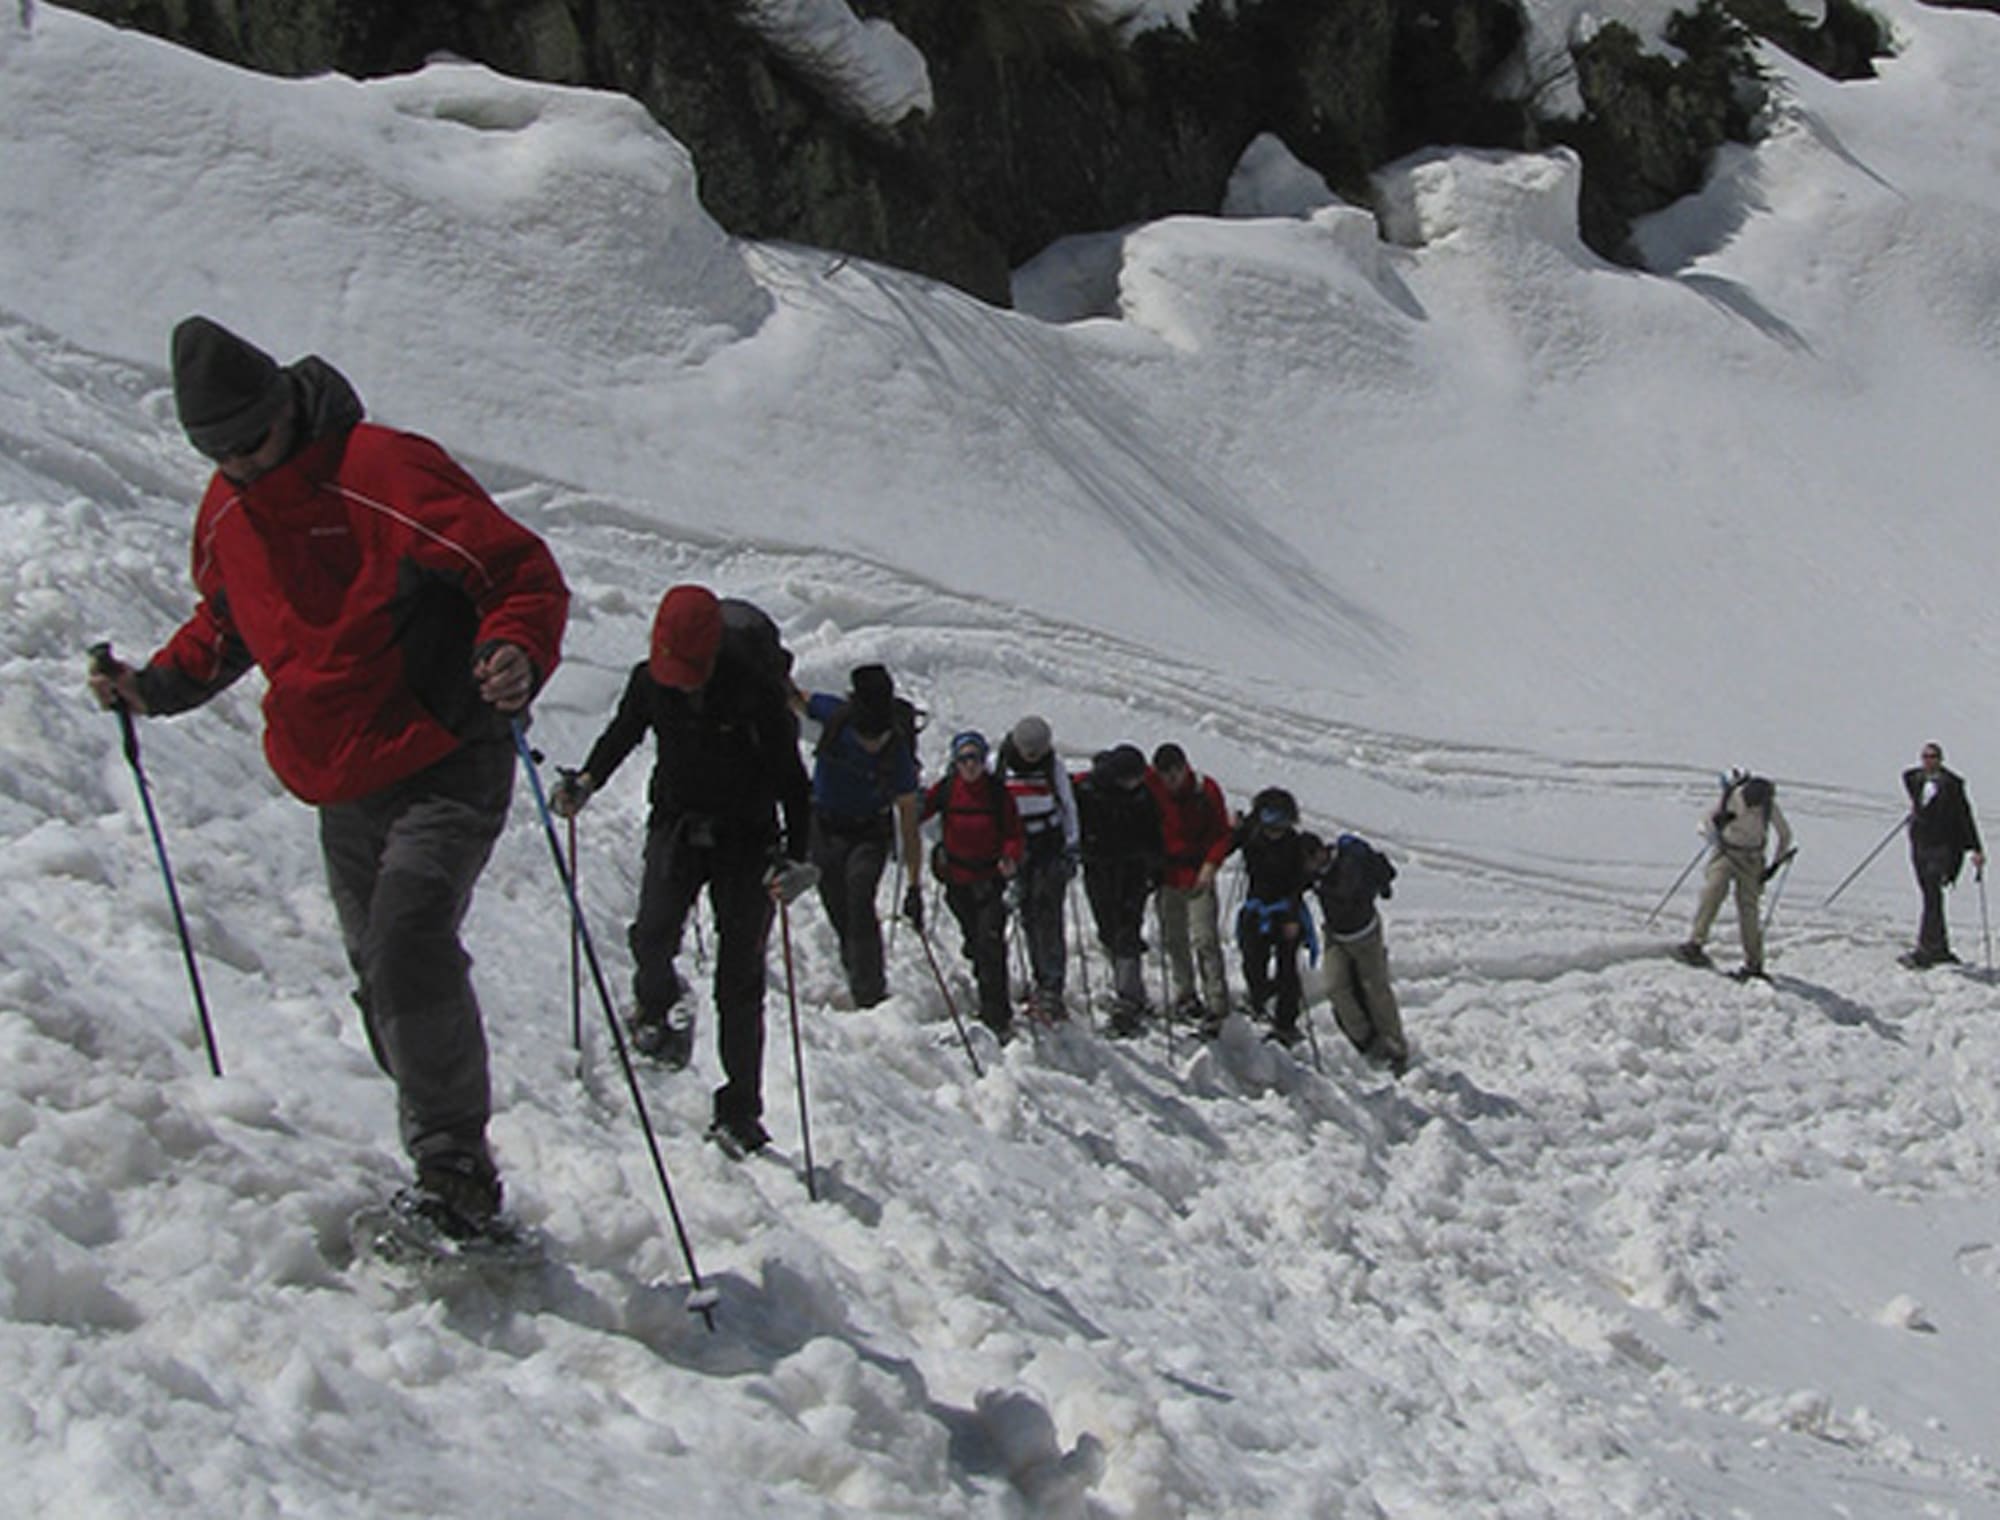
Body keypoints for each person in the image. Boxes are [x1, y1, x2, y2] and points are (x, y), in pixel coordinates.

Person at [88, 316, 568, 1239]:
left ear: (284, 409)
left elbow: (518, 573)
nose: (239, 465)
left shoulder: (385, 470)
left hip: (444, 750)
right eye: (216, 453)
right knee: (381, 976)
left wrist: (513, 648)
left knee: (407, 943)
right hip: (339, 775)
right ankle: (440, 1145)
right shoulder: (226, 510)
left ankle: (456, 1174)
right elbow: (228, 627)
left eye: (251, 443)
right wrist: (149, 688)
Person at [551, 585, 811, 1156]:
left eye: (689, 670)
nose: (679, 681)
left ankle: (740, 1111)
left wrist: (798, 858)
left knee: (738, 980)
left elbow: (794, 783)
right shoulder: (651, 681)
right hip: (677, 822)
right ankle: (657, 1006)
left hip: (748, 841)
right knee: (650, 933)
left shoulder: (757, 694)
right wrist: (588, 782)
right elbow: (623, 732)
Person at [799, 664, 923, 1006]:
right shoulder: (835, 715)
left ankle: (870, 991)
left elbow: (909, 825)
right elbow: (794, 698)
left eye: (879, 738)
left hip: (869, 832)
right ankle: (857, 972)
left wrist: (914, 885)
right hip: (823, 828)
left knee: (859, 895)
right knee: (837, 904)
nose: (873, 745)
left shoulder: (897, 754)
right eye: (866, 738)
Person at [920, 730, 1024, 1039]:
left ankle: (998, 1015)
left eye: (976, 758)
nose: (971, 765)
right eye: (964, 759)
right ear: (956, 761)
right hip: (957, 881)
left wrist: (1010, 856)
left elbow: (1013, 832)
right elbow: (921, 811)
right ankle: (987, 993)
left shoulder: (996, 793)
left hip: (989, 881)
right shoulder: (948, 789)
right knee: (976, 943)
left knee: (991, 943)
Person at [1072, 744, 1165, 1036]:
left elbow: (1153, 832)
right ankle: (1127, 988)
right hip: (1099, 869)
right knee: (1108, 929)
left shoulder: (1141, 796)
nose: (1133, 784)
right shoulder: (1088, 791)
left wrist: (1155, 866)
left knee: (1128, 929)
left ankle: (1129, 997)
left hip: (1133, 871)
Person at [1144, 743, 1233, 1033]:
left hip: (1197, 875)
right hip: (1168, 875)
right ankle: (1186, 993)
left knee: (1205, 938)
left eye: (1174, 773)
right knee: (1173, 938)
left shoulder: (1205, 791)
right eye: (1164, 774)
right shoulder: (1152, 788)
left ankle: (1217, 1002)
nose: (1170, 780)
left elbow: (1222, 833)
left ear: (1185, 768)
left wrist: (1211, 864)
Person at [995, 715, 1080, 1019]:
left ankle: (1050, 984)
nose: (1032, 757)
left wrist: (1071, 847)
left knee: (1047, 912)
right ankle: (1033, 976)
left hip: (1047, 844)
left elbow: (1068, 805)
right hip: (1015, 844)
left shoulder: (1052, 767)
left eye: (1037, 751)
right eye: (1029, 751)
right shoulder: (1001, 764)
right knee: (1026, 911)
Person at [1675, 769, 1794, 981]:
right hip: (1727, 853)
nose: (1754, 808)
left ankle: (1754, 963)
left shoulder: (1768, 806)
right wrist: (1716, 828)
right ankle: (1695, 943)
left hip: (1752, 860)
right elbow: (1704, 824)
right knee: (1712, 892)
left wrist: (1774, 865)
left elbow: (1785, 834)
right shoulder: (1732, 797)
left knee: (1748, 910)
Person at [1228, 787, 1323, 1046]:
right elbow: (1227, 846)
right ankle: (1261, 998)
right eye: (1270, 826)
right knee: (1252, 962)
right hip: (1256, 910)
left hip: (1285, 912)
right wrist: (1234, 830)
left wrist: (1293, 917)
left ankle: (1286, 1022)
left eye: (1280, 827)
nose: (1275, 833)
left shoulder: (1295, 845)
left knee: (1287, 968)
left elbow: (1299, 884)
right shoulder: (1250, 834)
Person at [1314, 832, 1408, 1076]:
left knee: (1376, 990)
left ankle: (1395, 1047)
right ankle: (1367, 1041)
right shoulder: (1317, 872)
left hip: (1365, 936)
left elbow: (1345, 892)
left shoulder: (1348, 866)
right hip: (1336, 935)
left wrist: (1319, 883)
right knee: (1335, 987)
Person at [1901, 742, 1984, 968]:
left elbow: (1965, 816)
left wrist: (1976, 848)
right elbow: (1907, 776)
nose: (1929, 760)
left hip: (1943, 846)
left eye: (1934, 756)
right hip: (1920, 844)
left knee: (1932, 893)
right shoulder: (1916, 780)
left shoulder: (1952, 785)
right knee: (1930, 895)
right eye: (1926, 756)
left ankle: (1927, 949)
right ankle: (1938, 947)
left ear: (1941, 759)